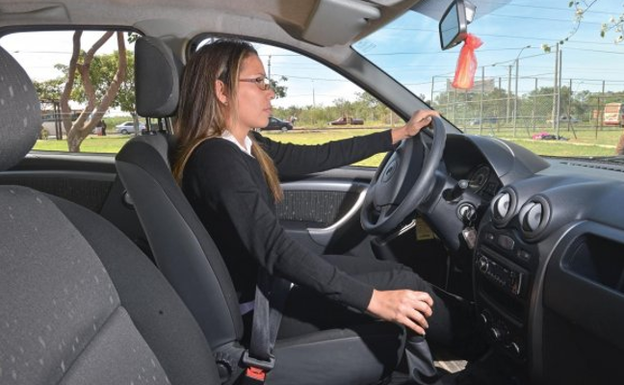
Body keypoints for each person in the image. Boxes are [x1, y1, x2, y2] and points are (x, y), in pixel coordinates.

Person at [172, 39, 479, 383]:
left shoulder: (246, 147)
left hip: (270, 287)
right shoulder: (216, 160)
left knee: (401, 277)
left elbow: (318, 156)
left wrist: (399, 133)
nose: (270, 92)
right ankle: (488, 350)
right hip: (260, 308)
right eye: (258, 81)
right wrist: (372, 301)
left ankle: (480, 341)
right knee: (399, 291)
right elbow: (274, 250)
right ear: (222, 91)